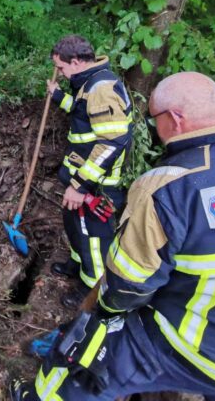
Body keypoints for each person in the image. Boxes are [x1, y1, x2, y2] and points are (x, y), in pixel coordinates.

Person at [10, 72, 215, 401]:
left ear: (175, 118)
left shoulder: (171, 185)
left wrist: (94, 318)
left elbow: (126, 287)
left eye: (152, 119)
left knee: (87, 354)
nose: (153, 128)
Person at [46, 36, 133, 289]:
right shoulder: (89, 83)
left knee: (92, 239)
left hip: (96, 186)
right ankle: (76, 266)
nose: (60, 73)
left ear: (75, 62)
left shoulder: (101, 89)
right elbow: (82, 112)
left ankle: (90, 290)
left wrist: (81, 186)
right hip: (80, 179)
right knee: (76, 229)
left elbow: (113, 142)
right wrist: (58, 95)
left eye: (61, 68)